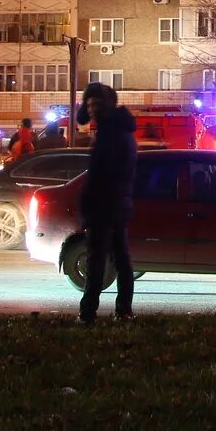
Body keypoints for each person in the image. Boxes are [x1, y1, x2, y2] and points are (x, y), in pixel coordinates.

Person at [76, 82, 137, 323]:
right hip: (116, 204)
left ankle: (88, 313)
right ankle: (123, 310)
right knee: (120, 258)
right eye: (89, 104)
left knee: (97, 259)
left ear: (107, 105)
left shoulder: (111, 134)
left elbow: (102, 175)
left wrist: (88, 205)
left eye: (96, 104)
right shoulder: (117, 129)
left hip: (105, 205)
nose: (92, 109)